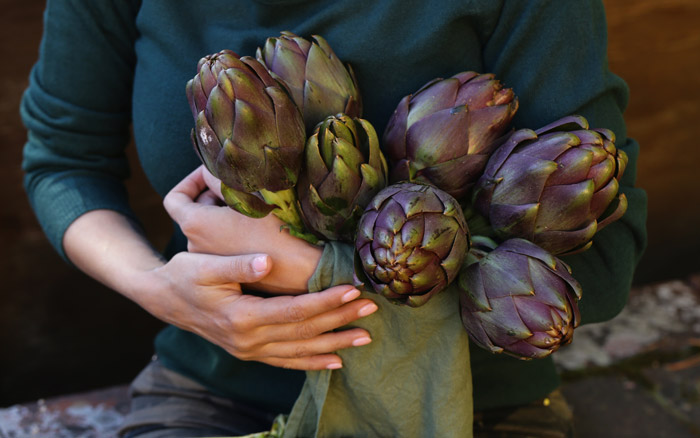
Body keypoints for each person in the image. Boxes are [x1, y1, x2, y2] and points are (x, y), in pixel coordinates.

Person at [21, 1, 647, 437]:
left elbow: (607, 260)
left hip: (466, 403)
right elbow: (62, 162)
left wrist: (323, 273)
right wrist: (155, 287)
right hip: (218, 393)